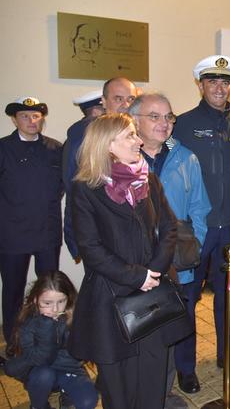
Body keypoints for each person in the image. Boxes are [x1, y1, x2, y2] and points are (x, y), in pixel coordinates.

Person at [69, 113, 192, 408]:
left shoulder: (148, 179)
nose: (138, 140)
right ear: (107, 145)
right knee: (118, 385)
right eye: (129, 136)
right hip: (110, 296)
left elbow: (169, 227)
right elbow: (91, 247)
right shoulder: (85, 188)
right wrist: (137, 276)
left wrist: (155, 271)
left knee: (152, 377)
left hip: (153, 292)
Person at [172, 55, 230, 381]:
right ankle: (186, 366)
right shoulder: (180, 124)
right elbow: (170, 167)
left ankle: (228, 354)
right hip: (196, 229)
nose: (219, 87)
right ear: (201, 84)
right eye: (212, 81)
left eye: (225, 82)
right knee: (188, 299)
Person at [129, 92, 211, 403]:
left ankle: (185, 369)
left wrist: (196, 246)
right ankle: (144, 377)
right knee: (143, 322)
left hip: (178, 261)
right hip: (138, 263)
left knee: (183, 318)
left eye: (168, 116)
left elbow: (201, 208)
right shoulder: (124, 157)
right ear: (135, 121)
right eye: (155, 116)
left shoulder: (186, 157)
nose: (164, 123)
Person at [1, 97, 63, 362]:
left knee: (49, 289)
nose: (31, 121)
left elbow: (60, 187)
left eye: (36, 116)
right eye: (25, 116)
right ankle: (14, 341)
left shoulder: (54, 148)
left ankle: (48, 338)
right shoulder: (3, 148)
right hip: (11, 233)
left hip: (46, 231)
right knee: (13, 290)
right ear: (15, 119)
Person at [63, 78, 138, 261]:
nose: (125, 105)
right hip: (103, 234)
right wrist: (76, 238)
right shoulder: (86, 136)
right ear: (104, 102)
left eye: (131, 99)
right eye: (118, 99)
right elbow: (74, 186)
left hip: (138, 231)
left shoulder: (140, 131)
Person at [4, 271, 98, 409]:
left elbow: (79, 356)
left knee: (88, 402)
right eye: (47, 303)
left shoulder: (74, 317)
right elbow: (39, 359)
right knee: (44, 375)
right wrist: (47, 326)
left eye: (61, 301)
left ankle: (66, 393)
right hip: (40, 373)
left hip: (68, 370)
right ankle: (38, 405)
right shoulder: (28, 322)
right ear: (36, 300)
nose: (55, 309)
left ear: (69, 298)